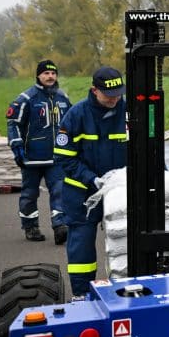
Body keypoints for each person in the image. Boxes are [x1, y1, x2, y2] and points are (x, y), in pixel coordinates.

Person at [54, 66, 128, 295]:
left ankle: (127, 289)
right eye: (109, 94)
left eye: (118, 94)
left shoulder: (129, 111)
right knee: (82, 247)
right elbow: (64, 158)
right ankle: (81, 294)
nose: (115, 99)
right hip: (83, 194)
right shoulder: (76, 115)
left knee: (125, 242)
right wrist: (92, 179)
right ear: (94, 90)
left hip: (120, 192)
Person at [6, 59, 72, 244]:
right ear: (38, 76)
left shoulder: (63, 98)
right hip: (31, 158)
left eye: (53, 73)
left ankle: (60, 226)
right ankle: (30, 226)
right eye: (46, 73)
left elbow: (72, 124)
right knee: (29, 193)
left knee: (60, 190)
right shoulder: (26, 99)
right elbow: (13, 123)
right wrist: (17, 146)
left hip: (56, 157)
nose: (50, 76)